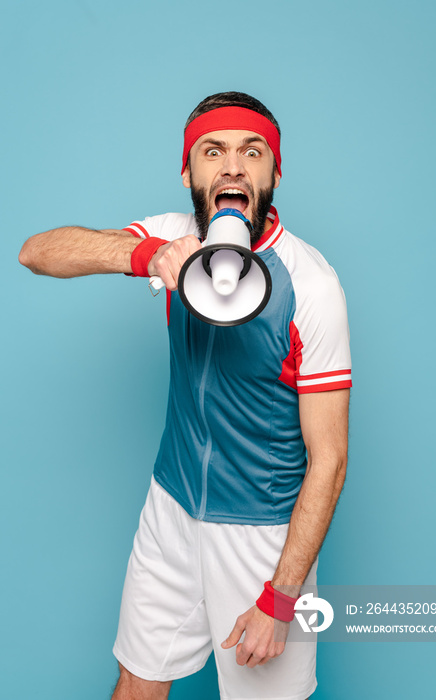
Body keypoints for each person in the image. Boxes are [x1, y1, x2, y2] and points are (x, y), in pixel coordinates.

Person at [19, 92, 352, 700]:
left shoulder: (312, 286)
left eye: (252, 152)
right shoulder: (173, 238)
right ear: (188, 173)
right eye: (213, 151)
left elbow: (328, 459)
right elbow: (36, 252)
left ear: (274, 173)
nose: (233, 167)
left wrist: (281, 596)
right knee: (136, 683)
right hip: (171, 508)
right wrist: (144, 254)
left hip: (262, 538)